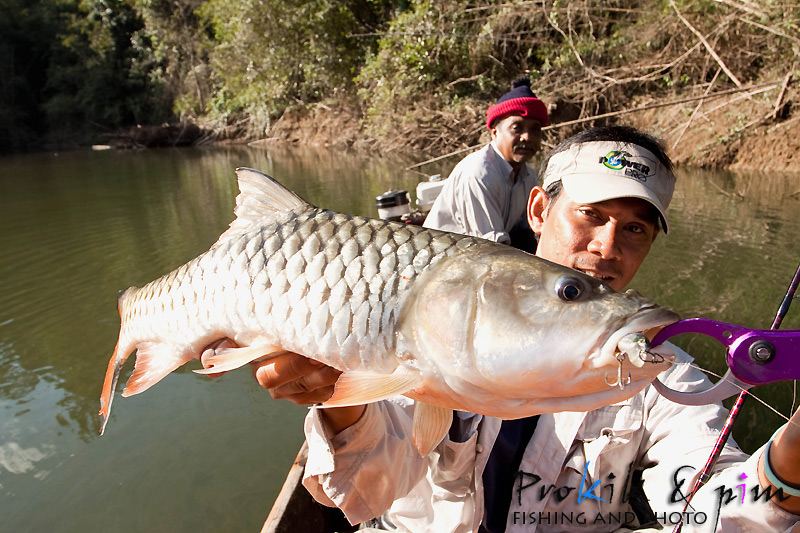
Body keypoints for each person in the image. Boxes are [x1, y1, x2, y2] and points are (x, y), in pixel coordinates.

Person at [244, 126, 800, 532]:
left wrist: (791, 457)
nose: (608, 248)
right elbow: (364, 493)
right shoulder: (439, 310)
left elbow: (714, 502)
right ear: (538, 209)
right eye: (591, 216)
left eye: (635, 228)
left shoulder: (660, 370)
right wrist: (338, 401)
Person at [422, 77, 548, 252]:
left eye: (535, 129)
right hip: (444, 259)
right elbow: (491, 247)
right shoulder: (479, 173)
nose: (527, 137)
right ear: (495, 133)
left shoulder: (528, 176)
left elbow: (526, 232)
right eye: (517, 128)